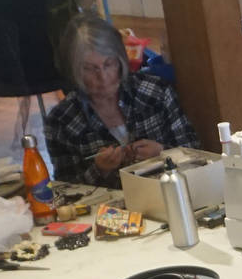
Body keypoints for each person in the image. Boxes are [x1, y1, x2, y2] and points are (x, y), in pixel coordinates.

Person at [42, 15, 199, 187]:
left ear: (121, 60)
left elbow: (195, 153)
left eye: (109, 64)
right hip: (109, 211)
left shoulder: (156, 92)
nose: (102, 77)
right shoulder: (61, 120)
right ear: (73, 71)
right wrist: (99, 170)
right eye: (89, 69)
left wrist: (163, 152)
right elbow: (66, 190)